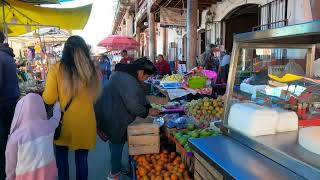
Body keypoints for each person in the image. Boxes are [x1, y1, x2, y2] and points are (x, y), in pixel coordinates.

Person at [43, 36, 101, 180]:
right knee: (82, 161)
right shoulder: (92, 70)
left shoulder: (56, 68)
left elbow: (48, 98)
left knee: (62, 162)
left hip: (64, 124)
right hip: (86, 123)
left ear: (65, 50)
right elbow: (95, 96)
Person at [94, 57, 160, 180]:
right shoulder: (129, 80)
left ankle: (117, 166)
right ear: (140, 72)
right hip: (112, 114)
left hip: (109, 109)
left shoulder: (126, 74)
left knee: (113, 142)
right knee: (117, 142)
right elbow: (134, 106)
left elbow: (138, 95)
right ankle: (114, 174)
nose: (145, 80)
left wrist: (147, 105)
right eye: (146, 77)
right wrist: (147, 110)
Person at [5, 94, 61, 180]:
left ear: (19, 111)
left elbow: (10, 168)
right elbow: (56, 118)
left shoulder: (15, 138)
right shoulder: (48, 126)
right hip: (48, 175)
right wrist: (57, 104)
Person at [0, 31, 20, 180]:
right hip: (11, 104)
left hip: (3, 106)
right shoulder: (8, 55)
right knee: (9, 142)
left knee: (3, 146)